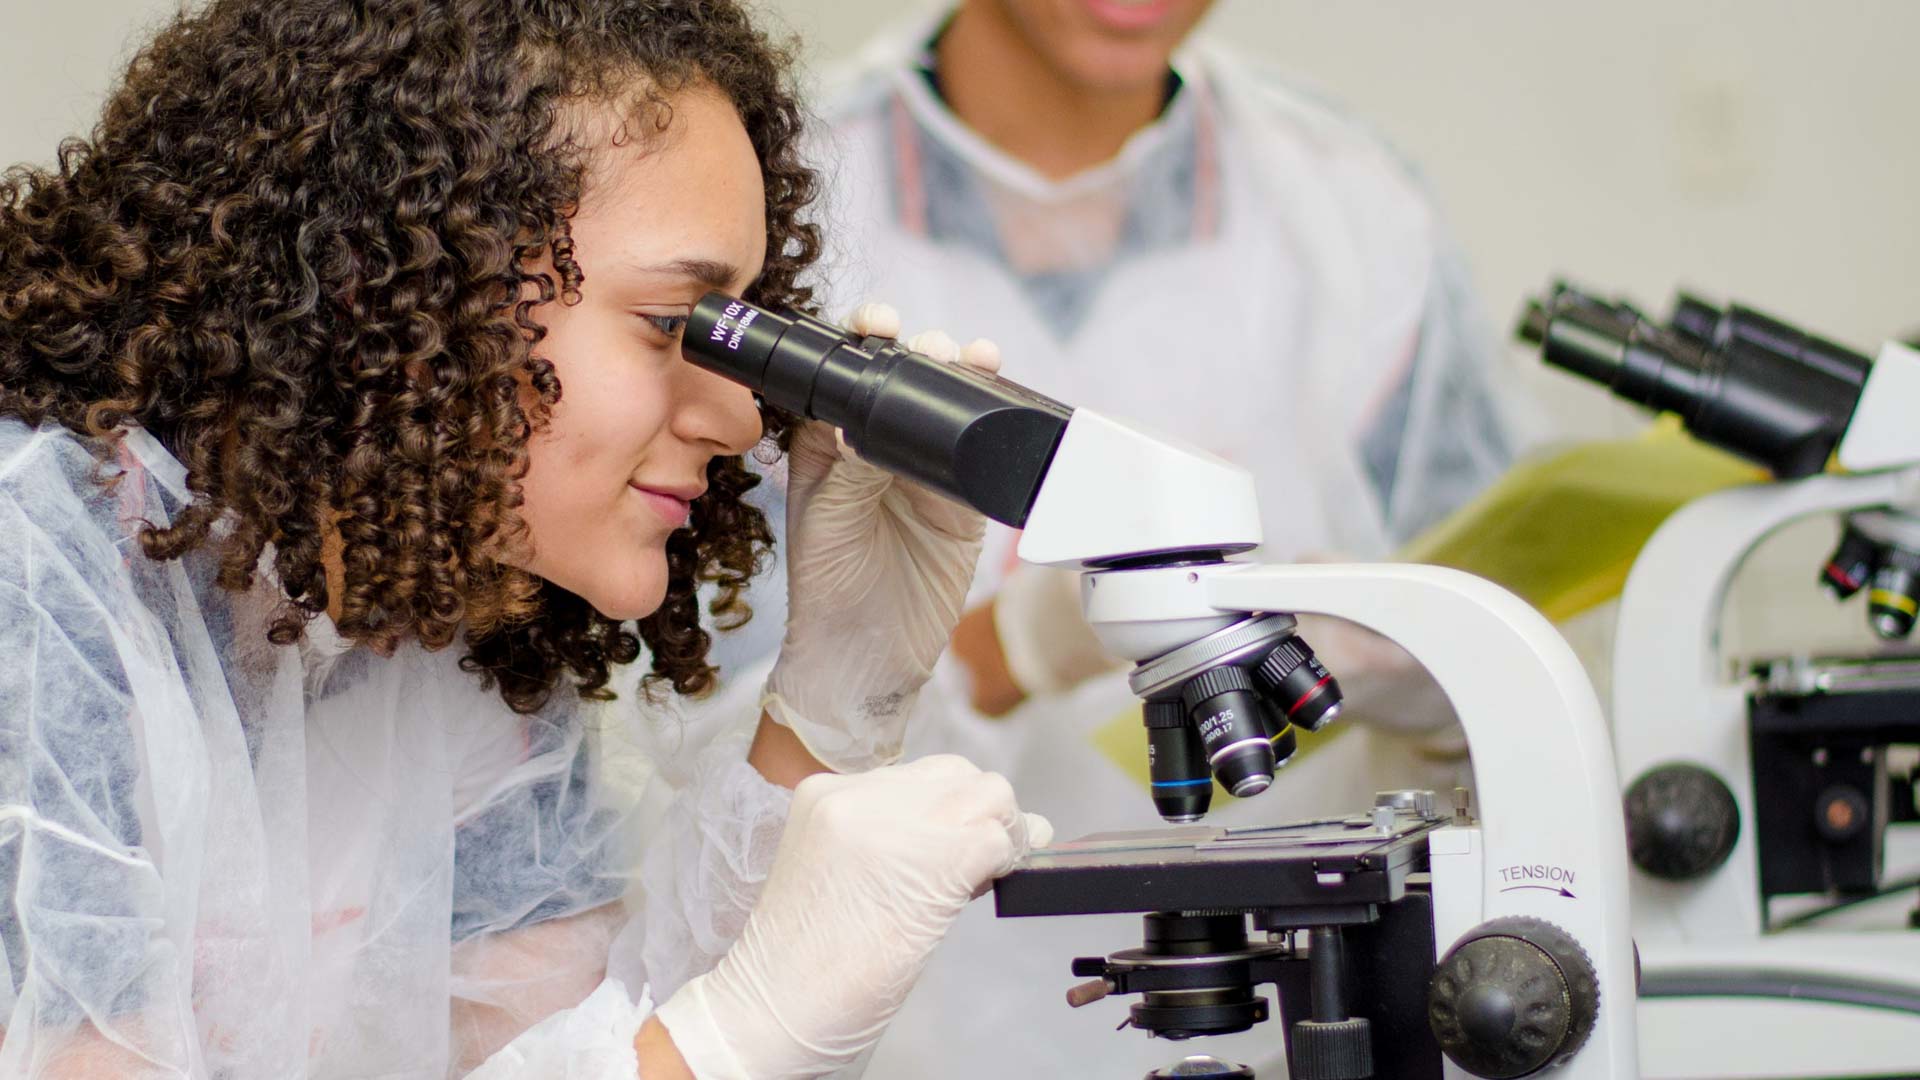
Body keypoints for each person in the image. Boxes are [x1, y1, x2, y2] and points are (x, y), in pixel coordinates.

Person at [0, 0, 1048, 1076]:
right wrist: (730, 1044)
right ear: (393, 278)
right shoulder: (26, 585)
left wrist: (831, 703)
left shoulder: (432, 614)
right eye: (669, 325)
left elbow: (561, 1044)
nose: (740, 420)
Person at [769, 1, 1521, 1074]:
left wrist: (1425, 676)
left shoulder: (1350, 210)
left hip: (1307, 999)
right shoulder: (790, 198)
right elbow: (707, 739)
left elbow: (1504, 579)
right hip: (907, 1020)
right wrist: (1010, 646)